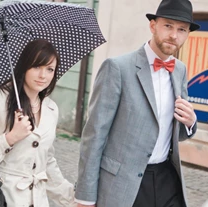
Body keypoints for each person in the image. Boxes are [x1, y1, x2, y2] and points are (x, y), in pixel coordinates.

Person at [74, 0, 199, 206]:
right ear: (153, 26)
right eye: (168, 26)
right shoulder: (117, 68)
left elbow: (177, 130)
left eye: (181, 29)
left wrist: (190, 122)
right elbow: (94, 135)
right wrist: (85, 196)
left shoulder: (180, 70)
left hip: (167, 178)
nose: (174, 35)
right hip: (125, 184)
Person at [0, 39, 76, 207]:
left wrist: (72, 199)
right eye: (37, 66)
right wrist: (8, 138)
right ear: (24, 66)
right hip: (1, 198)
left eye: (50, 69)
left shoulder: (51, 108)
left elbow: (47, 161)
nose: (43, 75)